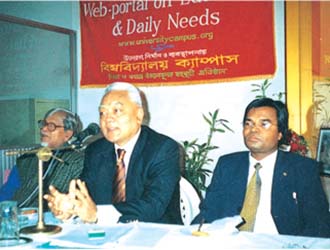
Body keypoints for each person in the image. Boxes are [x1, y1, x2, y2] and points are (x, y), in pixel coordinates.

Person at [44, 82, 182, 225]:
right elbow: (84, 195)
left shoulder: (162, 148)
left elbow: (153, 206)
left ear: (139, 115)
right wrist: (70, 207)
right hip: (107, 236)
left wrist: (97, 214)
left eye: (117, 111)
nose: (108, 119)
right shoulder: (95, 151)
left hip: (155, 235)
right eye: (102, 113)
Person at [192, 98, 330, 238]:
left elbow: (318, 224)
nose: (253, 129)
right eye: (248, 123)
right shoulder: (227, 165)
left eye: (264, 124)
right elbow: (208, 212)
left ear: (280, 134)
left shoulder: (302, 168)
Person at [0, 108, 85, 209]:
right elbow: (8, 190)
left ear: (67, 134)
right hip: (17, 215)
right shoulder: (28, 157)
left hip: (53, 217)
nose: (43, 129)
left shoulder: (78, 161)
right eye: (43, 124)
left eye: (51, 126)